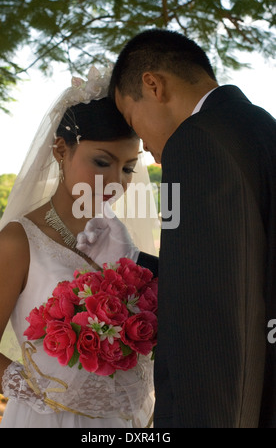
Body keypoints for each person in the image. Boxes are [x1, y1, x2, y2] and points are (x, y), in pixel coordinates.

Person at [76, 30, 276, 428]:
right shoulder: (260, 125)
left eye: (134, 120)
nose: (147, 147)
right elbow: (237, 263)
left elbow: (210, 316)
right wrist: (135, 264)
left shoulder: (194, 141)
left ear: (153, 84)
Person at [0, 67, 156, 428]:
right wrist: (46, 391)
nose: (115, 182)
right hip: (45, 418)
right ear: (61, 150)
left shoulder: (121, 238)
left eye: (128, 168)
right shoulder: (19, 241)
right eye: (102, 162)